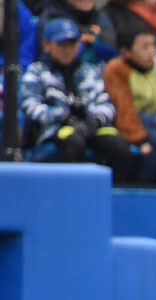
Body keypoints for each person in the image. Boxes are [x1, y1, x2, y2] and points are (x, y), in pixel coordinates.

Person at [20, 17, 131, 181]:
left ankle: (113, 199)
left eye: (72, 44)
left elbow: (105, 103)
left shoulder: (89, 71)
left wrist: (94, 121)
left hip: (90, 126)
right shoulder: (36, 72)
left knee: (119, 146)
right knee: (74, 142)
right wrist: (62, 116)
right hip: (56, 129)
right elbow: (30, 106)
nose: (67, 50)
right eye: (61, 44)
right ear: (46, 45)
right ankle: (72, 200)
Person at [104, 25, 156, 183]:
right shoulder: (116, 69)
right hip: (130, 123)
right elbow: (123, 108)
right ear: (126, 52)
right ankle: (141, 185)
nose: (152, 52)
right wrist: (141, 141)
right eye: (144, 47)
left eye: (153, 45)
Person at [40, 0, 117, 64]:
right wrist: (83, 45)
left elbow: (112, 54)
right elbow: (48, 57)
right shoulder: (50, 17)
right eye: (63, 44)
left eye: (71, 44)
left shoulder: (101, 17)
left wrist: (93, 44)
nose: (67, 50)